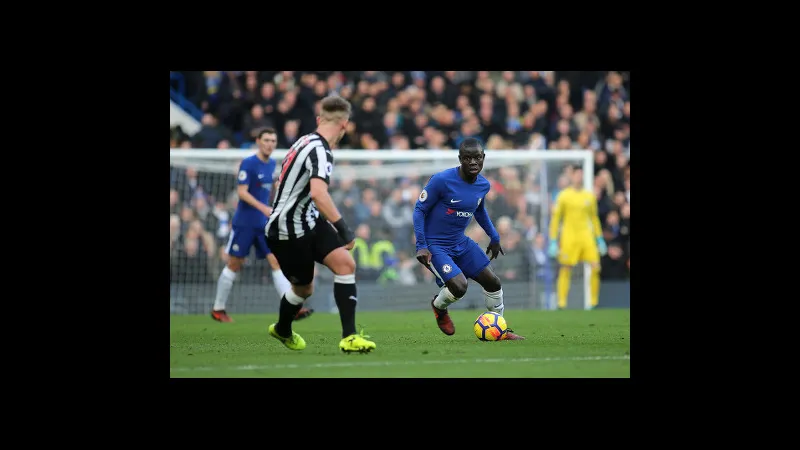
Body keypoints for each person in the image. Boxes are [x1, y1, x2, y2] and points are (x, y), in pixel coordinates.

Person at [266, 95, 376, 353]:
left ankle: (349, 337)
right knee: (304, 289)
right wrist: (343, 229)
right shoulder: (321, 150)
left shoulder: (303, 141)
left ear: (319, 119)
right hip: (287, 230)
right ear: (344, 125)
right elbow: (318, 193)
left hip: (308, 219)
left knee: (345, 264)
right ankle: (282, 328)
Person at [413, 138, 525, 340]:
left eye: (477, 158)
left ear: (483, 158)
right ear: (460, 159)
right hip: (435, 245)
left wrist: (494, 236)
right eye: (467, 158)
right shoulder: (441, 180)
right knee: (459, 287)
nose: (473, 162)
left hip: (460, 242)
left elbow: (479, 210)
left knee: (493, 282)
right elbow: (419, 209)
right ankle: (439, 307)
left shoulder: (483, 185)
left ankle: (500, 329)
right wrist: (421, 245)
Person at [211, 128, 313, 323]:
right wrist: (264, 208)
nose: (270, 144)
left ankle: (292, 308)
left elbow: (270, 187)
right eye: (266, 140)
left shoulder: (272, 164)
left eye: (273, 141)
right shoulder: (248, 163)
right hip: (245, 223)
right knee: (234, 263)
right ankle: (218, 308)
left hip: (263, 224)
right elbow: (242, 192)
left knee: (276, 261)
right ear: (258, 141)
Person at [547, 165, 607, 309]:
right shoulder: (564, 195)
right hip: (569, 237)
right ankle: (561, 303)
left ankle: (594, 303)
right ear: (572, 176)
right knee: (566, 268)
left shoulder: (589, 196)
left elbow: (594, 218)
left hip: (587, 237)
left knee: (596, 267)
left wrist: (599, 238)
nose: (579, 177)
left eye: (581, 174)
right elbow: (556, 219)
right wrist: (553, 240)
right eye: (577, 174)